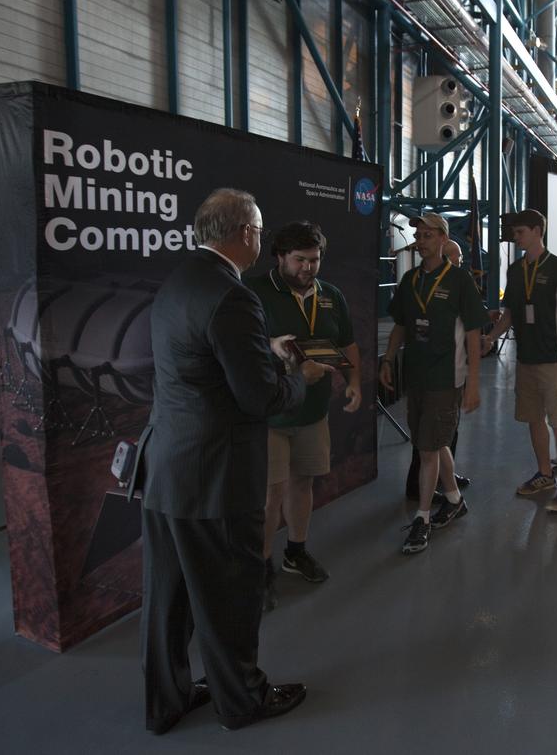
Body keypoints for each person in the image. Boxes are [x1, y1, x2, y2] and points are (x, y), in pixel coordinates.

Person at [136, 189, 331, 735]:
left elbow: (202, 366)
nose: (262, 239)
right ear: (245, 233)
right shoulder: (233, 296)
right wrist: (298, 376)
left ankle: (166, 700)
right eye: (261, 230)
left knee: (167, 601)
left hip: (167, 468)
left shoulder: (180, 282)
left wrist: (260, 353)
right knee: (229, 595)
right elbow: (260, 400)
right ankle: (242, 699)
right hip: (216, 477)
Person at [248, 221, 360, 610]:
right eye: (299, 260)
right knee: (269, 494)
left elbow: (346, 342)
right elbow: (236, 347)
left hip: (313, 412)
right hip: (272, 413)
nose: (308, 268)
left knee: (303, 483)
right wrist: (269, 346)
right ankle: (261, 569)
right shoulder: (255, 293)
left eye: (314, 260)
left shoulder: (331, 295)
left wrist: (354, 381)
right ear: (280, 257)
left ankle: (295, 551)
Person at [381, 214, 485, 554]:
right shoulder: (410, 280)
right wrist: (388, 359)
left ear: (442, 238)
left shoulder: (459, 281)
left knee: (426, 450)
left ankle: (422, 519)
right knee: (435, 442)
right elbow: (400, 323)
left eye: (427, 235)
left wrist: (472, 382)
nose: (421, 240)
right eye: (418, 235)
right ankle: (454, 499)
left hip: (447, 377)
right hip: (417, 377)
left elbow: (473, 333)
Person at [483, 209, 557, 512]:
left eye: (521, 232)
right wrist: (491, 336)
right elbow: (511, 313)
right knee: (533, 418)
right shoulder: (515, 271)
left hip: (555, 359)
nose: (516, 238)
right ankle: (545, 474)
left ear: (538, 231)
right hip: (526, 360)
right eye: (514, 234)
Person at [403, 236, 472, 499]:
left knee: (445, 434)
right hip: (430, 376)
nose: (457, 262)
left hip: (451, 373)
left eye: (458, 258)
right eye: (453, 256)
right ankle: (420, 490)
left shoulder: (459, 284)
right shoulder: (420, 284)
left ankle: (446, 479)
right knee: (428, 439)